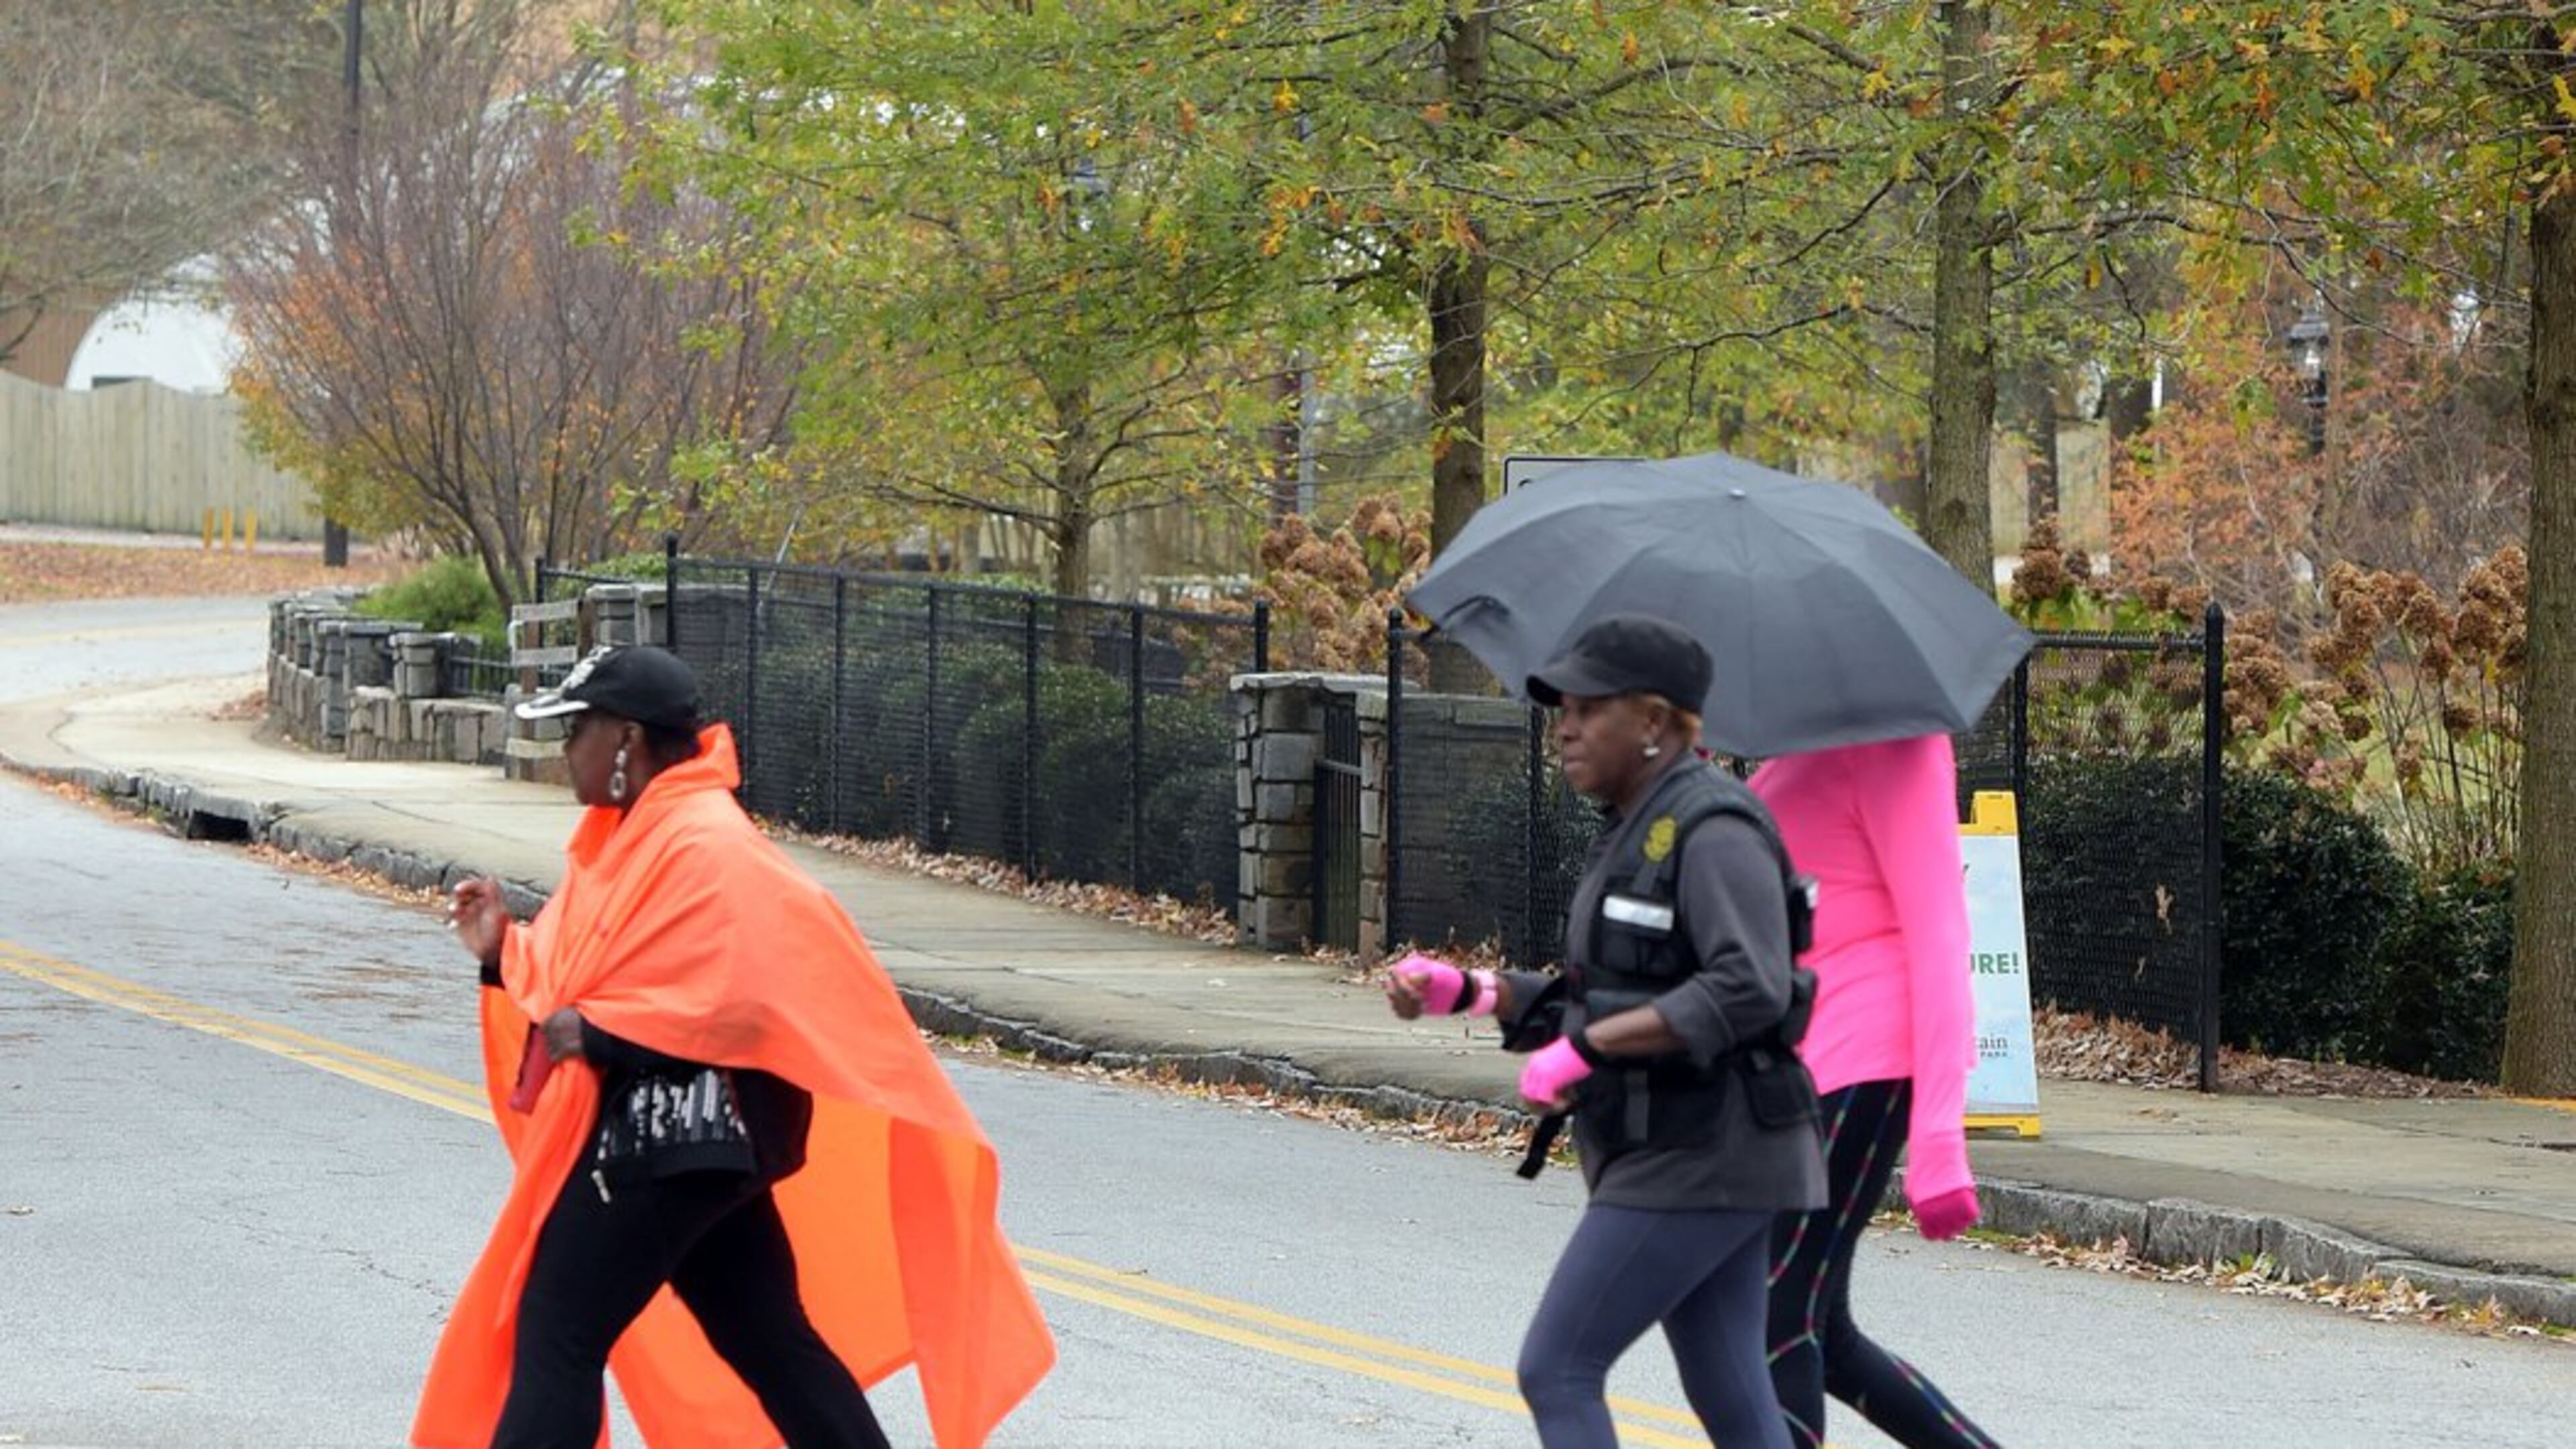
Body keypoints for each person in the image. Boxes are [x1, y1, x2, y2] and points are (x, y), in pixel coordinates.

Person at [413, 644, 1053, 1449]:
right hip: (703, 1148)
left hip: (679, 1140)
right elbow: (596, 970)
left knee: (558, 1332)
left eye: (578, 727)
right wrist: (504, 949)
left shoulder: (706, 842)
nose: (566, 747)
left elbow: (739, 999)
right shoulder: (642, 836)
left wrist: (603, 1032)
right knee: (772, 1345)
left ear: (627, 742)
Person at [1387, 614, 1825, 1449]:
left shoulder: (1714, 828)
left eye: (1589, 709)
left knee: (1557, 1369)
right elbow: (1610, 991)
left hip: (1703, 1151)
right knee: (1732, 1397)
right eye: (1562, 712)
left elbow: (1749, 986)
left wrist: (1585, 1051)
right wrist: (1472, 992)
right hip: (1695, 1149)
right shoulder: (1632, 824)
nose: (1567, 730)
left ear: (1655, 721)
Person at [1750, 733, 2000, 1449]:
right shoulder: (1787, 757)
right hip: (1801, 1064)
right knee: (1821, 1331)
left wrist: (1940, 1140)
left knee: (1776, 1315)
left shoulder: (1905, 747)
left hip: (1867, 1061)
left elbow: (1941, 934)